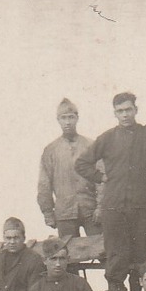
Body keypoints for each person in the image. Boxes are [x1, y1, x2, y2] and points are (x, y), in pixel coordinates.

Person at [75, 92, 146, 291]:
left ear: (135, 110)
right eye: (120, 111)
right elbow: (82, 163)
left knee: (140, 259)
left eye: (128, 110)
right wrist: (101, 178)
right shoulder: (108, 138)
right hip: (114, 210)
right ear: (115, 113)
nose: (125, 115)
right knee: (116, 262)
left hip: (143, 207)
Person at [37, 97, 98, 239]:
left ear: (77, 118)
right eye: (63, 118)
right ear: (58, 120)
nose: (68, 122)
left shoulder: (90, 146)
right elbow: (44, 185)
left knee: (101, 249)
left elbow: (101, 178)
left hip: (91, 210)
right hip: (64, 213)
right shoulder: (51, 150)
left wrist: (101, 207)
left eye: (71, 117)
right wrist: (48, 212)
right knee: (67, 253)